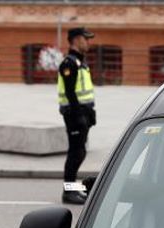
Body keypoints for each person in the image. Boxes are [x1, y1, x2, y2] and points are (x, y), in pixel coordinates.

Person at [57, 26, 96, 204]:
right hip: (74, 115)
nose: (88, 42)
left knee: (80, 152)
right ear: (75, 40)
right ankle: (68, 191)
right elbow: (71, 93)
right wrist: (79, 116)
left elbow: (84, 92)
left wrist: (90, 113)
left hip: (83, 114)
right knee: (76, 153)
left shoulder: (81, 62)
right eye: (85, 39)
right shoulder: (69, 63)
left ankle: (73, 188)